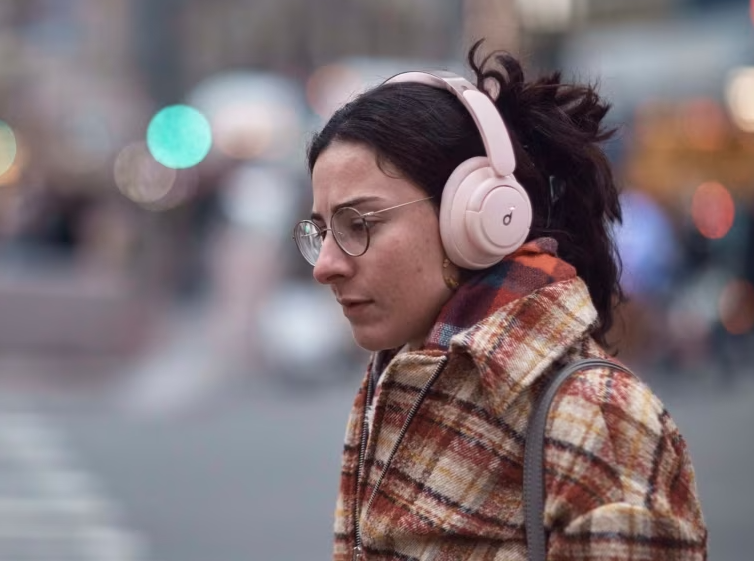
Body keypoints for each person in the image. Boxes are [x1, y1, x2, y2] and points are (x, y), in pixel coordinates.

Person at [292, 42, 707, 560]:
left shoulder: (601, 416)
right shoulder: (395, 377)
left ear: (477, 218)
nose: (325, 264)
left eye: (358, 224)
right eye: (321, 230)